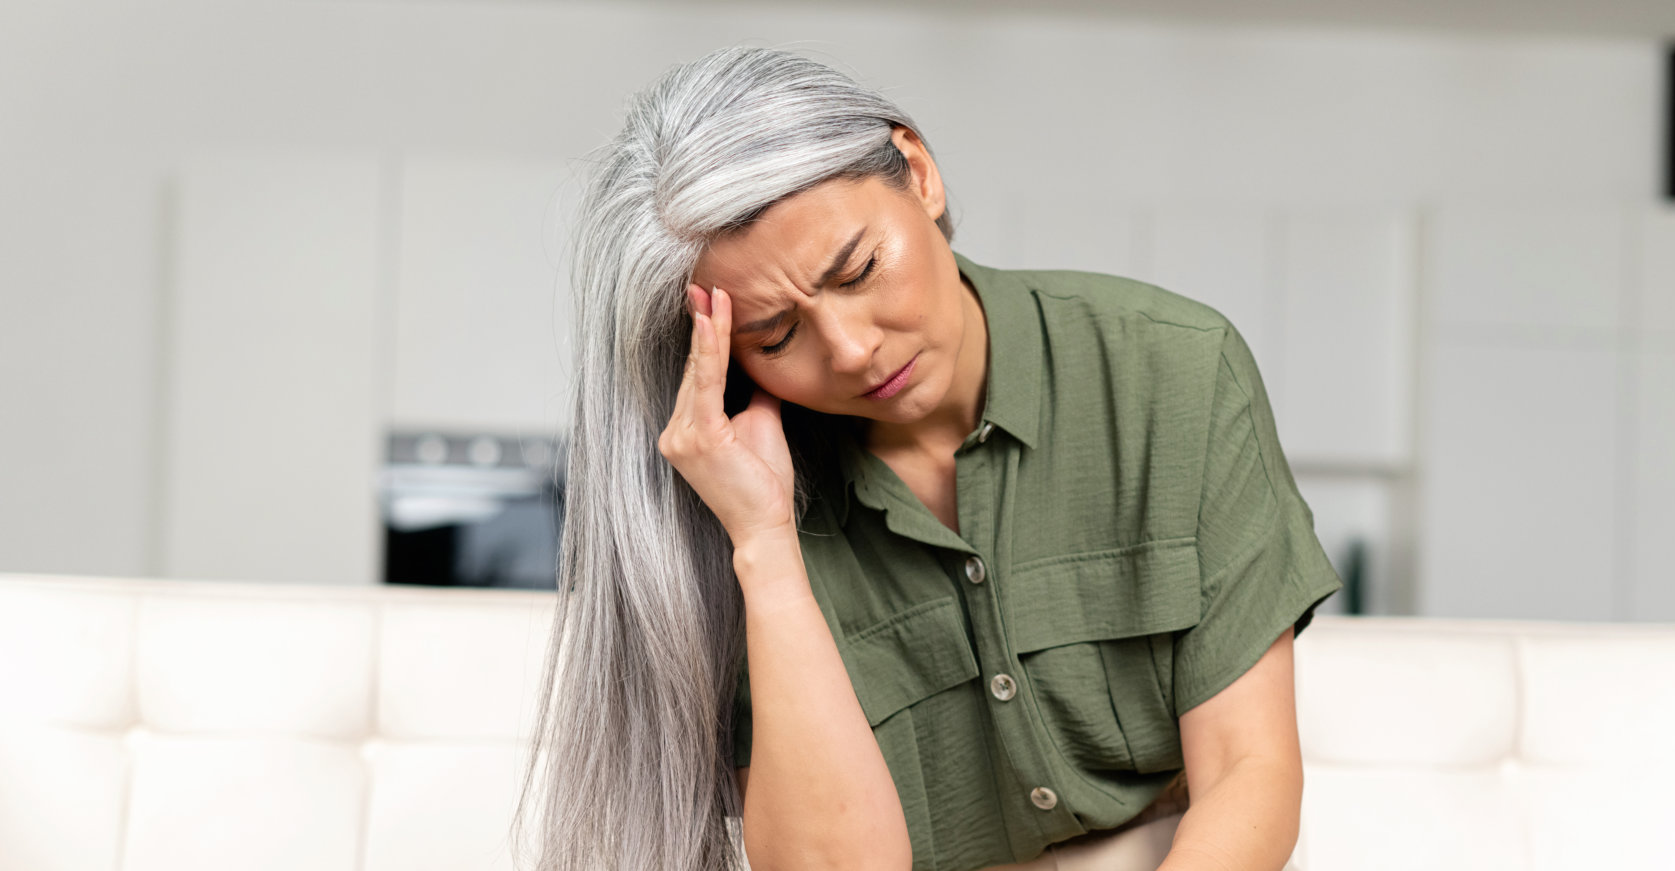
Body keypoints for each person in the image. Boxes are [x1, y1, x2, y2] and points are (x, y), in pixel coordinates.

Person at [510, 45, 1343, 871]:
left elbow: (1248, 772)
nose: (850, 349)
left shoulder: (1174, 370)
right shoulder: (718, 496)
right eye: (777, 335)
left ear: (918, 171)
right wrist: (764, 547)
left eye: (860, 270)